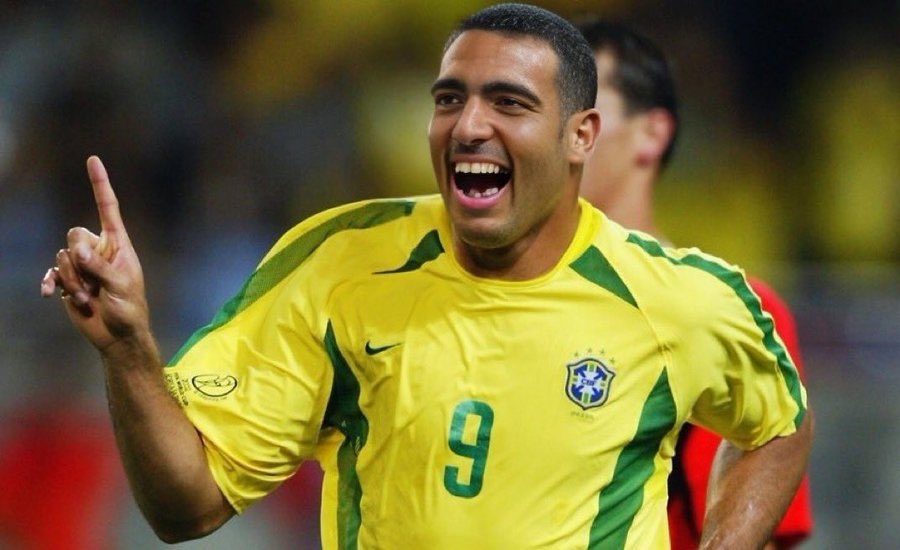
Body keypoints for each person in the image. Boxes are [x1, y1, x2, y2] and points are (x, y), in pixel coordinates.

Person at [40, 3, 812, 548]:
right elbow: (186, 509)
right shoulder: (340, 265)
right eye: (451, 99)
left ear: (581, 136)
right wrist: (129, 351)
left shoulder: (672, 297)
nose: (469, 125)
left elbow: (781, 423)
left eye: (508, 103)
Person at [575, 18, 814, 548]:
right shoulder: (497, 296)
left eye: (583, 106)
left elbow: (755, 527)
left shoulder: (725, 308)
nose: (559, 130)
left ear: (652, 133)